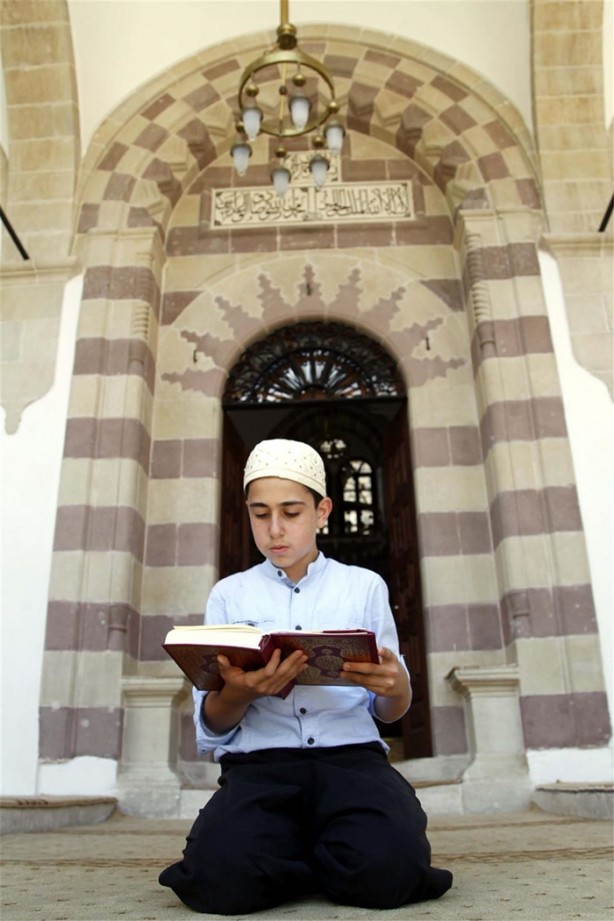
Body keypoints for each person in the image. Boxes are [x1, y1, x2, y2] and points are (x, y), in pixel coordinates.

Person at [159, 438, 452, 915]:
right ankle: (302, 847)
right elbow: (212, 724)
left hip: (352, 762)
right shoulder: (229, 595)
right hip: (260, 768)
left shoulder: (363, 587)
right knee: (220, 880)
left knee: (389, 873)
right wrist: (235, 694)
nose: (274, 529)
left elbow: (388, 708)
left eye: (291, 512)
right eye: (260, 513)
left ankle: (291, 850)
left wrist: (397, 687)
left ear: (322, 511)